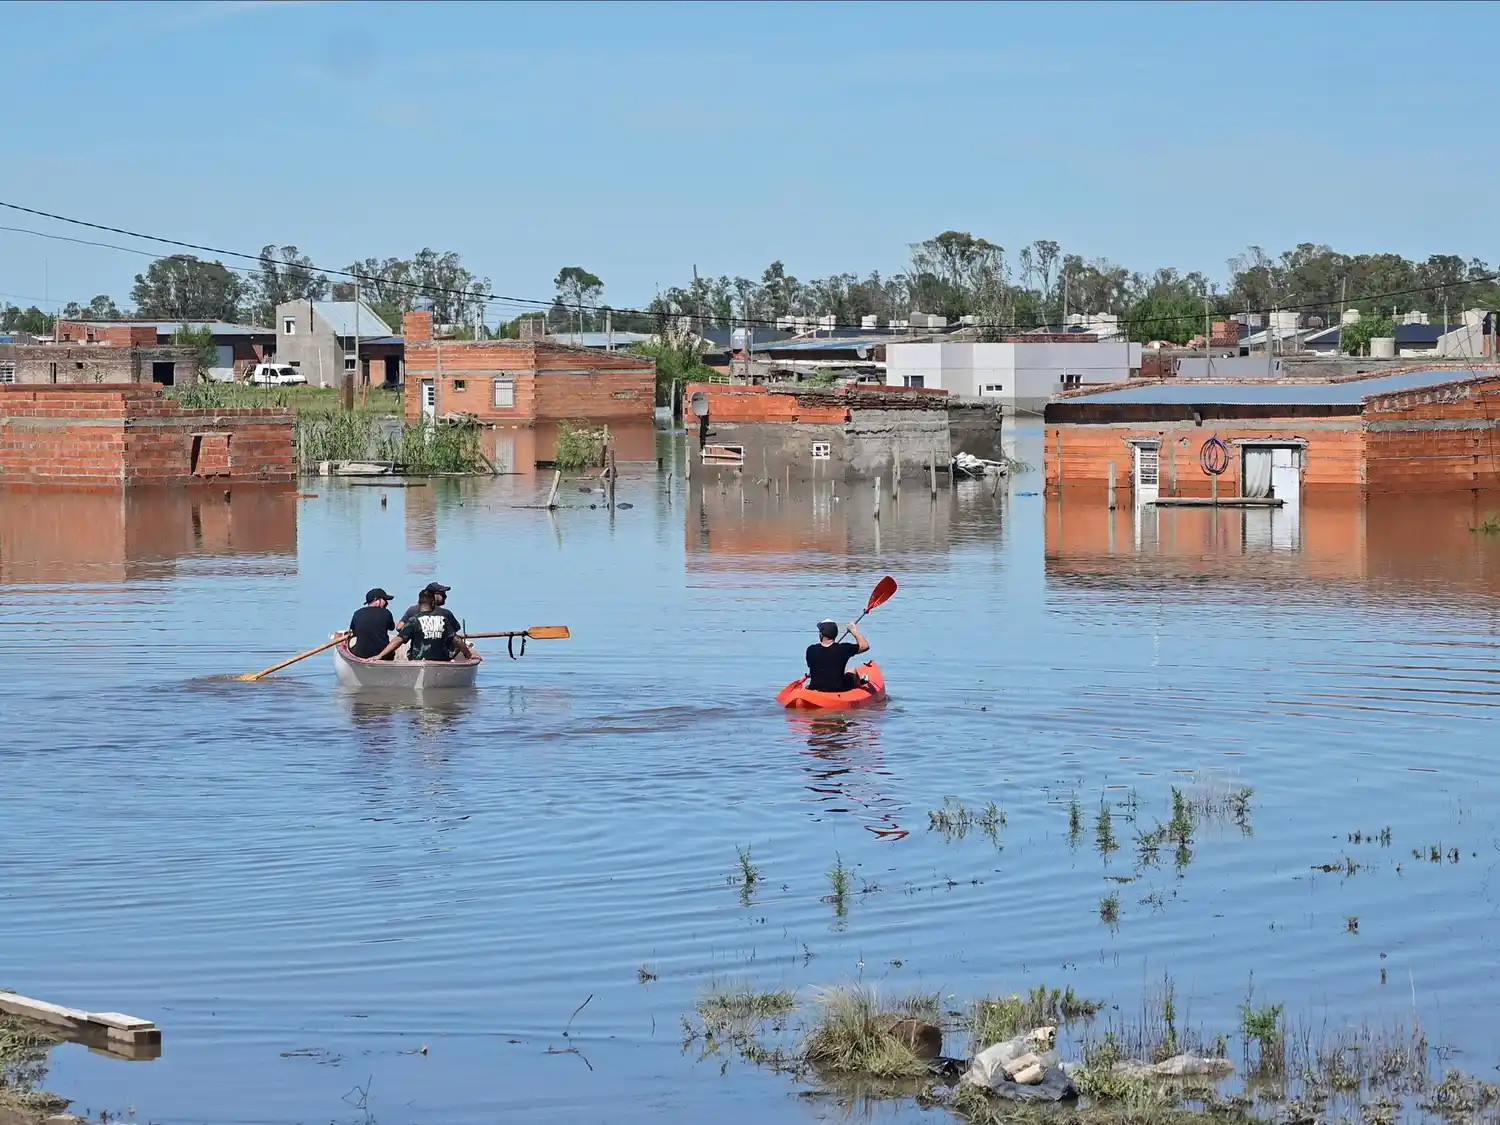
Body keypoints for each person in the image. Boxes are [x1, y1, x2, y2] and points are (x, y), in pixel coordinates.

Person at [378, 590, 480, 664]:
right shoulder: (442, 620)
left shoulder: (413, 620)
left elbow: (398, 640)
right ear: (433, 603)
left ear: (419, 603)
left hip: (418, 661)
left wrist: (380, 655)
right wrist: (468, 654)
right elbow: (456, 639)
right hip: (440, 661)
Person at [805, 618, 869, 692]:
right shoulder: (844, 648)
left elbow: (810, 666)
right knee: (852, 670)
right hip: (837, 689)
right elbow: (865, 646)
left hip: (815, 688)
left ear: (821, 634)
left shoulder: (811, 649)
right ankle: (859, 688)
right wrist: (853, 631)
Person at [346, 588, 397, 660]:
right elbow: (391, 628)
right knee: (391, 651)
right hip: (383, 655)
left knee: (353, 648)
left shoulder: (357, 613)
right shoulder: (386, 613)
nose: (387, 603)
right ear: (377, 600)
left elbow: (354, 632)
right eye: (384, 600)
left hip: (361, 655)